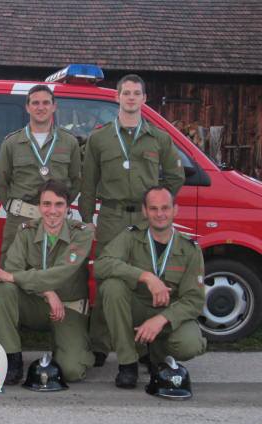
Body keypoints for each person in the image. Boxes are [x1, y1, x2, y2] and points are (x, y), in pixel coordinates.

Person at [79, 74, 185, 365]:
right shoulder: (99, 138)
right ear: (117, 97)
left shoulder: (159, 138)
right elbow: (88, 183)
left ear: (144, 99)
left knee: (144, 277)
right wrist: (87, 219)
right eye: (126, 93)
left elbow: (175, 176)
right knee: (107, 279)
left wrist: (158, 206)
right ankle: (99, 345)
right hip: (111, 216)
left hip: (144, 218)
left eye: (136, 93)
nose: (131, 98)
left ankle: (143, 346)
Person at [94, 186, 206, 388]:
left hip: (168, 313)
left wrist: (161, 319)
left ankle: (158, 356)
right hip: (136, 308)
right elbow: (101, 265)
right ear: (145, 211)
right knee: (111, 287)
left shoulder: (190, 249)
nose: (160, 214)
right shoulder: (130, 236)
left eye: (165, 208)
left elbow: (194, 300)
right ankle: (128, 363)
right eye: (153, 208)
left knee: (189, 344)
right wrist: (145, 276)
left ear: (175, 210)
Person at [0, 179, 95, 384]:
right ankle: (11, 358)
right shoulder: (26, 231)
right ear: (39, 206)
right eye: (46, 204)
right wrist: (47, 292)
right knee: (3, 290)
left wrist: (14, 277)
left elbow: (63, 270)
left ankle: (67, 346)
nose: (52, 211)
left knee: (71, 371)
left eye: (59, 204)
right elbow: (13, 267)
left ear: (68, 207)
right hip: (35, 304)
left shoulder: (82, 233)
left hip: (68, 308)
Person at [0, 84, 81, 265]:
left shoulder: (69, 142)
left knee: (53, 268)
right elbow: (2, 183)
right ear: (27, 107)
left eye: (46, 103)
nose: (40, 107)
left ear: (54, 106)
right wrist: (18, 209)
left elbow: (76, 180)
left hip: (55, 218)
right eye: (35, 103)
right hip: (20, 218)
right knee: (12, 267)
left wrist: (58, 207)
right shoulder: (11, 143)